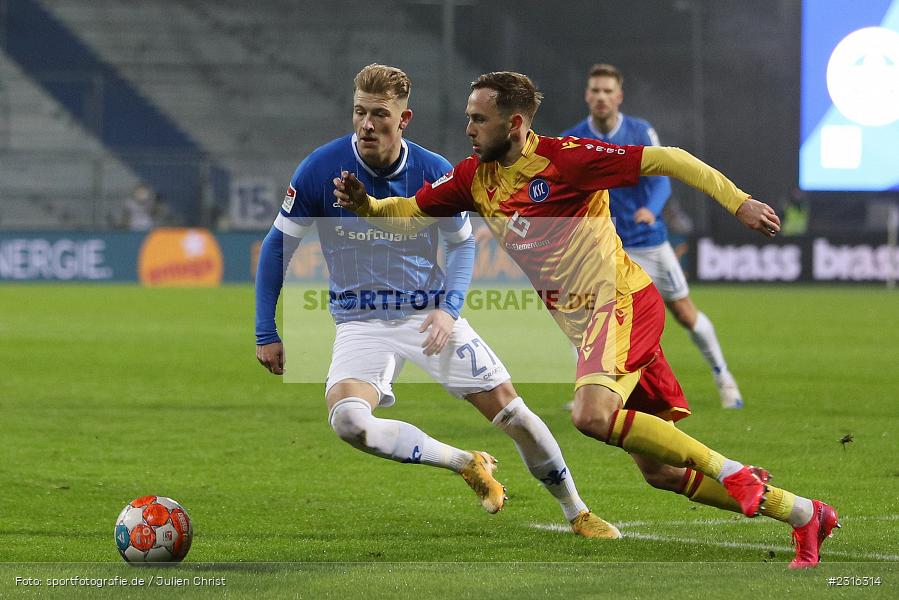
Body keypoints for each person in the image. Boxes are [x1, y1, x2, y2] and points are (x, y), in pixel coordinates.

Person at [333, 71, 839, 568]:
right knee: (659, 472)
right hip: (589, 327)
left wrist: (740, 202)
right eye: (468, 118)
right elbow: (409, 212)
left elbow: (671, 159)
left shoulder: (566, 159)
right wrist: (368, 205)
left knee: (590, 416)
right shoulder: (473, 177)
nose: (468, 129)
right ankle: (803, 514)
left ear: (513, 123)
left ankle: (732, 471)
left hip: (619, 303)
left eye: (478, 119)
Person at [255, 64, 617, 538]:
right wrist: (267, 330)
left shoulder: (433, 170)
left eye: (379, 114)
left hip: (428, 316)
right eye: (359, 112)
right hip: (360, 323)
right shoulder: (320, 169)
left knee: (513, 413)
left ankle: (578, 512)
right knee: (348, 422)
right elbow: (277, 247)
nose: (367, 124)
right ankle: (464, 462)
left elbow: (464, 245)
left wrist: (448, 310)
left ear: (403, 120)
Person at [562, 64, 743, 409]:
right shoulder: (573, 139)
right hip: (600, 248)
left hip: (647, 242)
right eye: (595, 91)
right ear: (587, 96)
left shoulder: (640, 131)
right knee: (585, 320)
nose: (600, 97)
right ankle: (588, 392)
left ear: (619, 96)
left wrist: (651, 209)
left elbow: (661, 178)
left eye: (607, 91)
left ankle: (724, 378)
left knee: (685, 314)